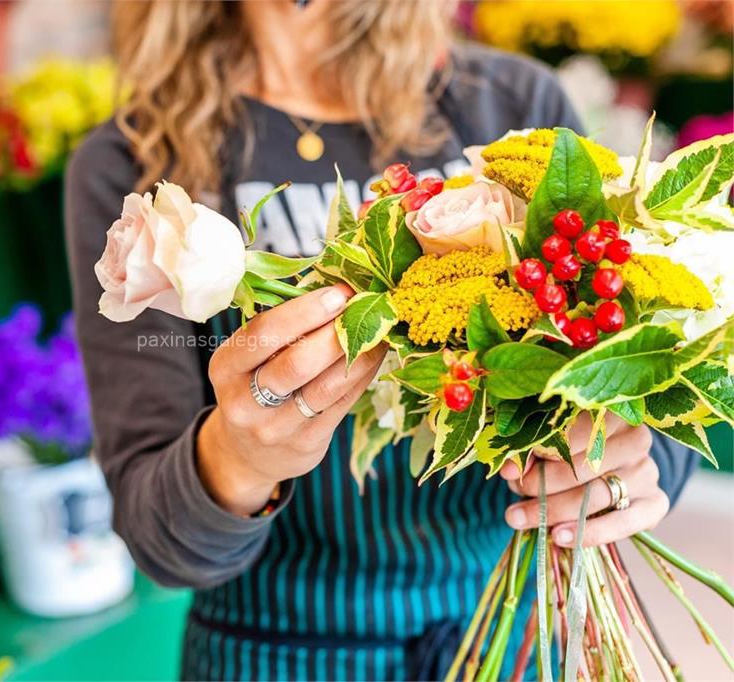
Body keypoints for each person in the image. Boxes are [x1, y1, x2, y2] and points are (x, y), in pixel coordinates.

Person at [65, 2, 696, 679]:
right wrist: (238, 459)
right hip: (276, 654)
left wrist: (631, 462)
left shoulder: (509, 104)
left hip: (516, 639)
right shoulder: (128, 165)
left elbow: (630, 362)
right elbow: (164, 544)